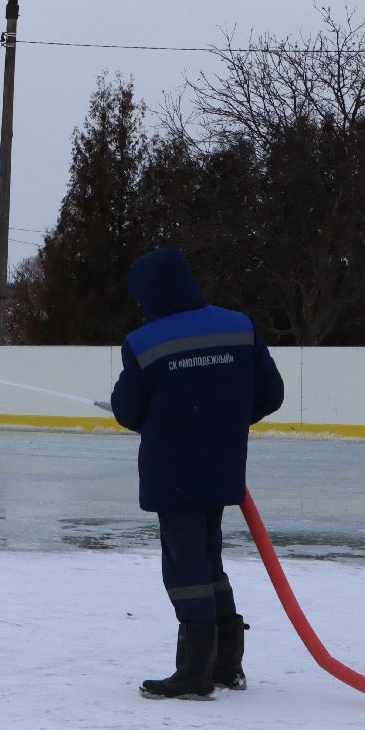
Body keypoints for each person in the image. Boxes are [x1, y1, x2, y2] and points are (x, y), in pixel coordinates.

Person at [110, 246, 284, 700]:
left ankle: (193, 673)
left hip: (173, 470)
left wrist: (170, 418)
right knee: (210, 561)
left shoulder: (145, 342)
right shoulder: (239, 326)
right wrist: (223, 422)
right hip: (222, 464)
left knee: (186, 567)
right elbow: (271, 393)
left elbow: (127, 411)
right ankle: (227, 666)